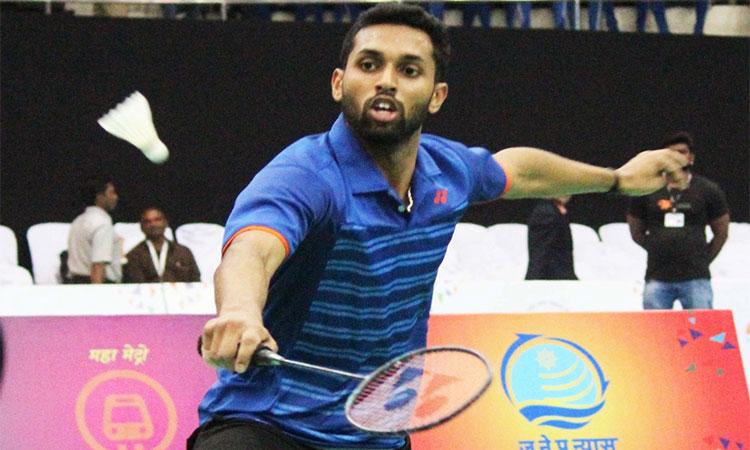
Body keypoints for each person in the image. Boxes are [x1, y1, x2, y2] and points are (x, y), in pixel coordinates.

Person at [193, 4, 689, 449]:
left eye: (409, 70)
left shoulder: (448, 171)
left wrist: (618, 179)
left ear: (436, 96)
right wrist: (239, 311)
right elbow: (252, 248)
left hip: (376, 433)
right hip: (267, 426)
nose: (386, 81)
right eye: (370, 64)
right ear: (339, 83)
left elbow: (521, 171)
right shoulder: (307, 175)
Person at [627, 132, 730, 310]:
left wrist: (702, 259)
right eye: (671, 153)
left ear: (691, 158)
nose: (676, 157)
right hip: (657, 276)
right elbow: (636, 231)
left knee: (700, 326)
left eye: (682, 152)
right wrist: (658, 248)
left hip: (696, 277)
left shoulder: (708, 190)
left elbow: (721, 233)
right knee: (655, 326)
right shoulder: (647, 189)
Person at [66, 175, 122, 284]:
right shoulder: (102, 223)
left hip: (75, 284)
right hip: (96, 284)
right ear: (100, 197)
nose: (116, 197)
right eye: (111, 193)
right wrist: (98, 292)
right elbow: (98, 265)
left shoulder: (77, 221)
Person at [123, 207, 201, 283]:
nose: (153, 224)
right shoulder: (133, 256)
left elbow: (196, 282)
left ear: (166, 223)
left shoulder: (183, 253)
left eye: (157, 220)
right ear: (141, 227)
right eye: (147, 221)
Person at [525, 196, 577, 280]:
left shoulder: (554, 210)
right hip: (550, 278)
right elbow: (542, 252)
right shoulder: (547, 213)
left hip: (557, 276)